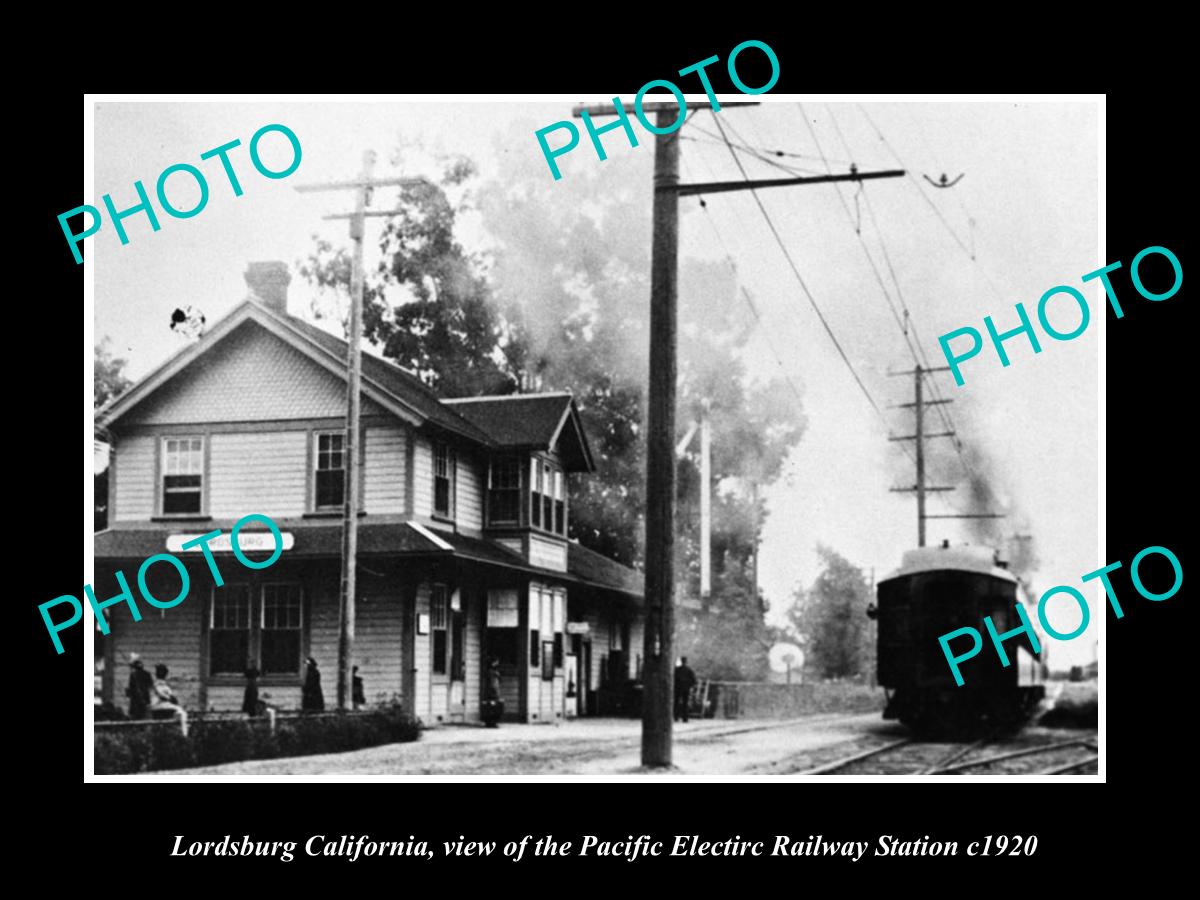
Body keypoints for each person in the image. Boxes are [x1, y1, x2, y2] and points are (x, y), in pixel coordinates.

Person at [149, 664, 188, 735]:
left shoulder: (162, 684)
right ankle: (184, 734)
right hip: (159, 705)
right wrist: (172, 699)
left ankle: (180, 731)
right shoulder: (158, 683)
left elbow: (170, 696)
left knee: (180, 711)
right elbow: (165, 696)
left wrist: (173, 699)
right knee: (182, 713)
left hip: (162, 705)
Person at [674, 656, 697, 723]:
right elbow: (694, 680)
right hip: (686, 689)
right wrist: (689, 686)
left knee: (676, 703)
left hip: (678, 688)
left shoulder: (677, 670)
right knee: (685, 703)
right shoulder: (689, 670)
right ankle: (685, 718)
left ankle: (676, 717)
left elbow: (673, 678)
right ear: (686, 662)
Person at [482, 657, 503, 727]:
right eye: (495, 662)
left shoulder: (494, 672)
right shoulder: (491, 672)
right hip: (491, 691)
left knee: (494, 707)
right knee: (491, 707)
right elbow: (493, 683)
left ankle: (492, 722)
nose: (497, 664)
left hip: (493, 691)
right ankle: (491, 722)